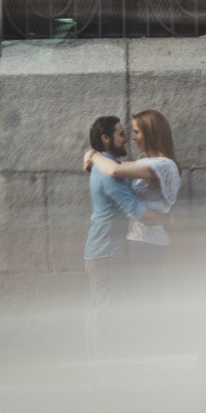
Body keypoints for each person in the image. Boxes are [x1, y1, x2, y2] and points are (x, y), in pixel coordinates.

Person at [83, 115, 171, 361]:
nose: (127, 139)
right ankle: (102, 375)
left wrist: (92, 155)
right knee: (104, 315)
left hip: (101, 251)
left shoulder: (104, 165)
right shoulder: (110, 173)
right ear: (106, 138)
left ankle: (98, 372)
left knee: (99, 312)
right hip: (108, 253)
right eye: (122, 134)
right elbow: (137, 212)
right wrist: (166, 219)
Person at [83, 109, 181, 270]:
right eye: (126, 133)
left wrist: (93, 156)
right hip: (139, 243)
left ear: (151, 133)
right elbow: (115, 167)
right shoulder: (148, 163)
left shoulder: (163, 165)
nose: (132, 138)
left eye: (136, 132)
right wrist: (93, 155)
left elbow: (115, 169)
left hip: (147, 243)